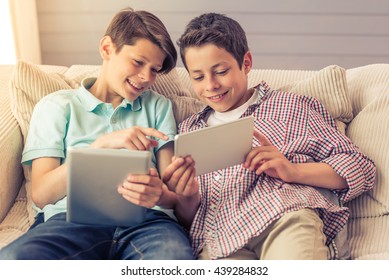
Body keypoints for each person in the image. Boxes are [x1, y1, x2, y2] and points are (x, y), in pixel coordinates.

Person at [162, 12, 376, 260]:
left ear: (247, 63)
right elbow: (189, 218)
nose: (210, 85)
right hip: (219, 240)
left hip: (283, 218)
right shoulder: (188, 130)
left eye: (220, 71)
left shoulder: (291, 106)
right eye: (198, 77)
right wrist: (187, 196)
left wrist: (292, 171)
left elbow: (360, 167)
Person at [0, 7, 194, 260]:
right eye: (138, 62)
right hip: (71, 220)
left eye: (154, 69)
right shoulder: (56, 106)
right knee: (15, 261)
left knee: (172, 262)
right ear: (106, 49)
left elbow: (172, 194)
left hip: (148, 223)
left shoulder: (157, 106)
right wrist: (99, 147)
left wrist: (162, 193)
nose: (146, 77)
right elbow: (41, 193)